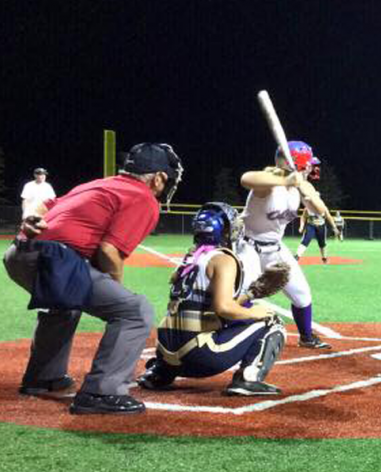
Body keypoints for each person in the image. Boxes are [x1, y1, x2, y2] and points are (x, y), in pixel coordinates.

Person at [2, 143, 183, 415]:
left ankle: (44, 377)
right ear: (158, 178)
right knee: (134, 311)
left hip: (18, 253)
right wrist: (116, 289)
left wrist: (29, 219)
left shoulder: (101, 184)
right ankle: (102, 393)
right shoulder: (143, 197)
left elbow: (42, 206)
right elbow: (108, 251)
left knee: (65, 304)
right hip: (55, 258)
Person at [137, 203, 288, 396]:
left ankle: (159, 373)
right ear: (223, 230)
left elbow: (202, 306)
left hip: (166, 354)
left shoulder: (190, 258)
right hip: (198, 356)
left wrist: (250, 294)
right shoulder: (223, 259)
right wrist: (254, 310)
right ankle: (248, 379)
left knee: (190, 319)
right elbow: (223, 307)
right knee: (272, 321)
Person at [236, 140, 341, 350]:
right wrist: (286, 180)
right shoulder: (269, 182)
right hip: (247, 247)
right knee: (240, 298)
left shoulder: (302, 185)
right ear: (297, 162)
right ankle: (232, 339)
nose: (311, 167)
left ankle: (306, 338)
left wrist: (303, 189)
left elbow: (319, 208)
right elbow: (246, 178)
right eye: (309, 162)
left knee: (302, 295)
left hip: (275, 247)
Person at [294, 157, 335, 264]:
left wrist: (334, 227)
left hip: (320, 225)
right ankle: (297, 256)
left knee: (322, 243)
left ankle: (324, 258)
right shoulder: (306, 194)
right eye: (309, 166)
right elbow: (303, 216)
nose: (312, 168)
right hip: (311, 224)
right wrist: (301, 226)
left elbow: (327, 215)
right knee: (306, 240)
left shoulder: (318, 203)